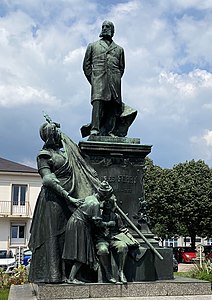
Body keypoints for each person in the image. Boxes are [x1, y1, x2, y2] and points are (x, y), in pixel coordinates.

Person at [29, 115, 101, 283]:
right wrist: (67, 196)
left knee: (70, 236)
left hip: (70, 199)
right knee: (55, 236)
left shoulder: (65, 151)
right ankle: (55, 275)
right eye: (55, 132)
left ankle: (73, 275)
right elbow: (47, 179)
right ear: (50, 135)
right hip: (54, 201)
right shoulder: (44, 155)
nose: (58, 134)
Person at [82, 20, 137, 138]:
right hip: (98, 80)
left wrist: (115, 78)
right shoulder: (93, 46)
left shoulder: (119, 49)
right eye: (103, 26)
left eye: (108, 27)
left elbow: (121, 68)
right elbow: (86, 66)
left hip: (114, 81)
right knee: (98, 104)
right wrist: (93, 80)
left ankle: (110, 131)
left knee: (113, 106)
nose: (105, 28)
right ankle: (95, 129)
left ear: (113, 31)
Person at [62, 180, 115, 284]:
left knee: (77, 251)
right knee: (80, 252)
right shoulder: (95, 203)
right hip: (79, 225)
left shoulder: (90, 197)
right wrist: (109, 224)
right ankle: (71, 278)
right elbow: (98, 223)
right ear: (104, 196)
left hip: (73, 222)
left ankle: (78, 275)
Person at [96, 194, 141, 284]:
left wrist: (132, 238)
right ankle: (108, 273)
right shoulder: (98, 215)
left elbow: (123, 229)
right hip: (102, 240)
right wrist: (107, 224)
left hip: (114, 239)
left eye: (110, 202)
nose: (108, 204)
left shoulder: (116, 216)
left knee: (123, 246)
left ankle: (121, 271)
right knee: (103, 250)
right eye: (106, 202)